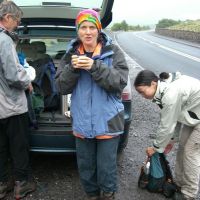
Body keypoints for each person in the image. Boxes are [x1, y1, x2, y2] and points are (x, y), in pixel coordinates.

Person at [55, 9, 128, 200]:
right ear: (78, 31)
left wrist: (93, 66)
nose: (88, 32)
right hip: (82, 121)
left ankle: (108, 195)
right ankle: (92, 195)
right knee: (86, 166)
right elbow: (61, 86)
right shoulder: (71, 54)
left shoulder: (113, 52)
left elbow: (119, 82)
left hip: (108, 121)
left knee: (106, 167)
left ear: (99, 29)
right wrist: (73, 68)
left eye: (91, 27)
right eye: (83, 28)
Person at [134, 69, 200, 200]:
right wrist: (171, 140)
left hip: (197, 116)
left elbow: (167, 125)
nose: (142, 96)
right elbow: (175, 118)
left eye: (142, 91)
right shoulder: (164, 90)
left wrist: (155, 147)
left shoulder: (170, 94)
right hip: (194, 114)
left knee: (190, 151)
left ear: (153, 83)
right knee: (182, 148)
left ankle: (189, 194)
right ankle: (180, 184)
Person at [0, 1, 36, 199]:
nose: (18, 24)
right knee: (18, 146)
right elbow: (14, 75)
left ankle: (2, 184)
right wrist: (28, 82)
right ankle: (21, 185)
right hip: (11, 106)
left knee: (1, 147)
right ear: (7, 18)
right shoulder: (4, 40)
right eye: (17, 20)